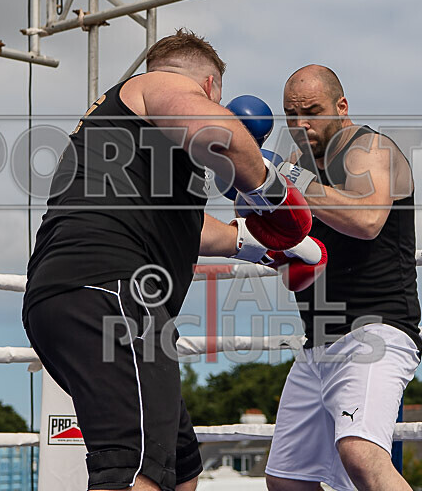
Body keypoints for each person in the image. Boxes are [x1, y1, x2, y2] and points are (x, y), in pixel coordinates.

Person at [23, 29, 314, 491]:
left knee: (178, 470)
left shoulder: (130, 139)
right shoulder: (158, 85)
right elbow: (221, 132)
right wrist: (271, 192)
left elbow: (186, 226)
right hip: (107, 290)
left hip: (75, 299)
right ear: (210, 86)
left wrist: (262, 244)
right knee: (133, 473)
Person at [264, 65, 422, 491]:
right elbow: (293, 261)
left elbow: (368, 218)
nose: (300, 125)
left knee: (362, 455)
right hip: (318, 342)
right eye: (290, 114)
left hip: (374, 332)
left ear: (342, 106)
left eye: (312, 112)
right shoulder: (297, 163)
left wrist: (287, 183)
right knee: (286, 479)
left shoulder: (368, 149)